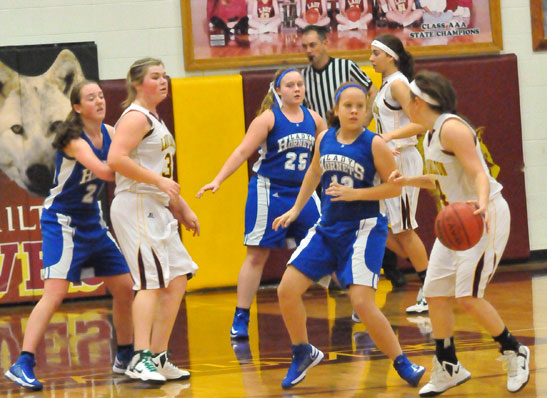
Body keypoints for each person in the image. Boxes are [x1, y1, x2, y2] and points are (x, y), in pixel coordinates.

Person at [272, 83, 425, 389]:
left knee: (362, 303)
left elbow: (395, 187)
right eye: (348, 106)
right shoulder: (324, 138)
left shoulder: (375, 144)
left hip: (364, 229)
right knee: (286, 290)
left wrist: (356, 194)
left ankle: (402, 362)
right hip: (328, 227)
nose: (354, 110)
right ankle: (302, 351)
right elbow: (313, 173)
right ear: (336, 110)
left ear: (367, 113)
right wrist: (295, 209)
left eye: (360, 106)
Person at [390, 70, 530, 396]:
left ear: (419, 102)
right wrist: (406, 181)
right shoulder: (430, 133)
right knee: (436, 290)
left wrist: (479, 204)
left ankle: (514, 350)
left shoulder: (452, 128)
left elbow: (479, 174)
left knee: (467, 297)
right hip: (456, 219)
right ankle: (449, 365)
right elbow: (437, 179)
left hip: (483, 216)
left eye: (407, 99)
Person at [4, 81, 135, 391]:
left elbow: (126, 157)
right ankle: (22, 362)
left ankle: (126, 355)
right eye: (91, 98)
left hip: (93, 221)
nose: (100, 101)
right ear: (77, 107)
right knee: (54, 294)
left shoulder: (112, 133)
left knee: (125, 287)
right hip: (62, 222)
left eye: (101, 96)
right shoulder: (74, 140)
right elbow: (106, 172)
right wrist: (139, 170)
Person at [197, 68, 326, 341]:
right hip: (270, 191)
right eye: (289, 85)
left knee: (329, 243)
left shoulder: (314, 119)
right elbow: (243, 151)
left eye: (300, 84)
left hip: (303, 192)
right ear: (278, 90)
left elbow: (333, 148)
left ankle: (357, 302)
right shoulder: (268, 118)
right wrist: (218, 179)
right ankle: (241, 317)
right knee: (257, 255)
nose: (296, 89)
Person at [108, 58, 199, 384]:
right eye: (155, 77)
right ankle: (139, 357)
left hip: (157, 205)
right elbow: (115, 159)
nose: (164, 81)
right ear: (137, 83)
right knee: (150, 282)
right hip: (135, 204)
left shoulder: (154, 118)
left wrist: (181, 206)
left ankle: (158, 356)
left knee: (176, 279)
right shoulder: (135, 117)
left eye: (165, 75)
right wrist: (160, 184)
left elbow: (161, 175)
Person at [301, 24, 406, 291]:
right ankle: (339, 274)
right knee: (334, 206)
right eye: (305, 46)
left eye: (312, 44)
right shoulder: (304, 76)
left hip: (359, 141)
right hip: (329, 142)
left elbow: (370, 91)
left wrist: (365, 121)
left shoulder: (346, 67)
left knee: (378, 211)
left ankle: (391, 268)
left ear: (325, 43)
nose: (308, 51)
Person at [369, 34, 430, 314]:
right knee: (376, 224)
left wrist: (389, 136)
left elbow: (422, 123)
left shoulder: (399, 84)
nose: (370, 59)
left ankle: (429, 289)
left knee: (404, 230)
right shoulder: (384, 86)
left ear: (390, 56)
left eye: (374, 54)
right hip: (387, 159)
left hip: (402, 160)